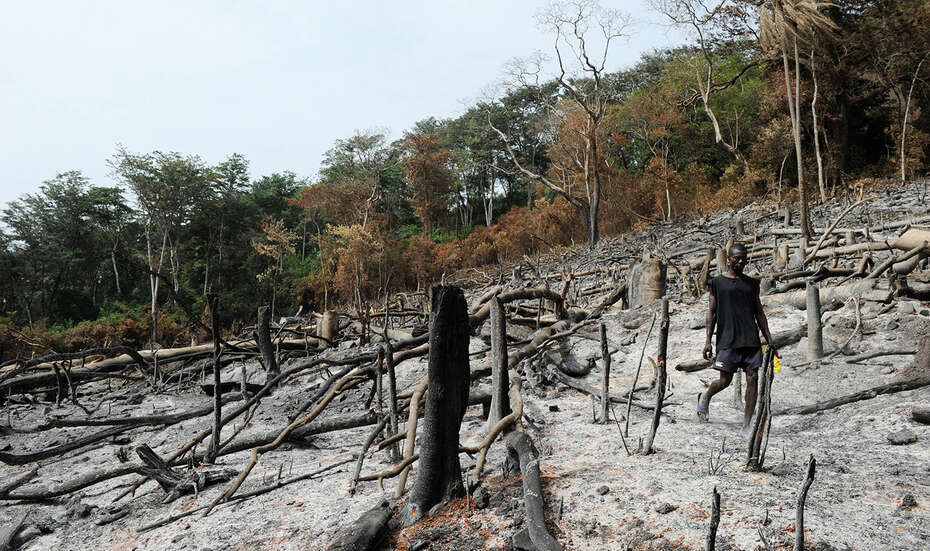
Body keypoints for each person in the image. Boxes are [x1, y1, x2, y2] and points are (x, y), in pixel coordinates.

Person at [698, 243, 772, 432]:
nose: (740, 261)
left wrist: (769, 339)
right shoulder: (717, 283)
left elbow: (759, 313)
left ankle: (747, 425)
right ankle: (706, 397)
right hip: (727, 339)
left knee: (753, 378)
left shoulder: (752, 284)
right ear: (729, 259)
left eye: (743, 258)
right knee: (725, 381)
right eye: (737, 258)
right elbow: (712, 313)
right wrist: (708, 341)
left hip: (750, 340)